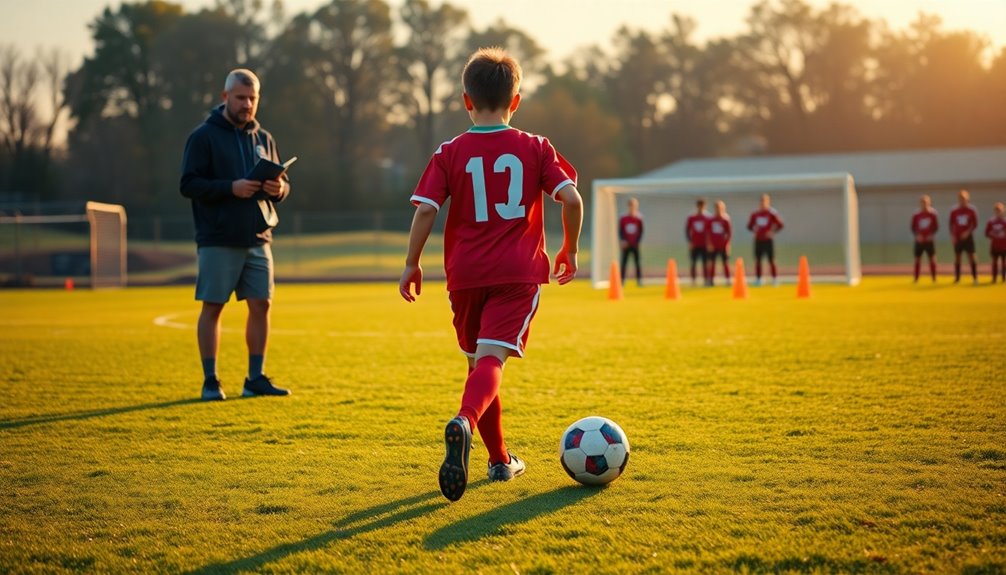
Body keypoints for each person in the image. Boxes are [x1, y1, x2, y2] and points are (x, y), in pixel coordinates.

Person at [398, 47, 582, 502]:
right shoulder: (535, 147)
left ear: (466, 100)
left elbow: (425, 211)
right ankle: (464, 421)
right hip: (516, 274)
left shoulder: (449, 151)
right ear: (515, 101)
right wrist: (569, 249)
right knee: (491, 364)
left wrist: (411, 263)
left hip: (465, 275)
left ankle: (499, 461)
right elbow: (572, 199)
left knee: (478, 364)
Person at [180, 69, 292, 401]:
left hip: (258, 237)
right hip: (218, 238)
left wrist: (279, 188)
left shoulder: (264, 138)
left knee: (262, 304)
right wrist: (231, 188)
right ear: (224, 96)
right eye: (241, 98)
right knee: (213, 307)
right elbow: (188, 184)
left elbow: (282, 187)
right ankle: (210, 380)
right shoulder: (203, 137)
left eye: (252, 98)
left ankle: (254, 379)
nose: (247, 104)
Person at [747, 194, 784, 286]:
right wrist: (755, 230)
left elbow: (780, 225)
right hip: (758, 239)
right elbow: (749, 226)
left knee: (771, 260)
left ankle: (774, 278)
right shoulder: (755, 214)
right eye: (762, 201)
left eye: (765, 201)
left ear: (768, 202)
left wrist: (772, 231)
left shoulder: (772, 213)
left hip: (768, 240)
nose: (763, 203)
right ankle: (759, 279)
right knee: (758, 260)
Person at [949, 189, 979, 284]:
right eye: (960, 198)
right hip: (958, 238)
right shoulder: (954, 211)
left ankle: (975, 278)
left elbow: (974, 224)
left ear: (967, 199)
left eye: (964, 198)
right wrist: (953, 236)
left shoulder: (971, 210)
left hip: (968, 238)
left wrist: (967, 232)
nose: (962, 200)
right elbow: (951, 224)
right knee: (957, 257)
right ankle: (957, 278)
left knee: (971, 257)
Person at [910, 194, 939, 283]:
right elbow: (913, 227)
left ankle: (934, 278)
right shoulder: (916, 215)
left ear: (929, 203)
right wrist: (917, 236)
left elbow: (936, 227)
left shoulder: (933, 214)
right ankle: (916, 278)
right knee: (917, 259)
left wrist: (931, 235)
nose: (924, 204)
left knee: (932, 258)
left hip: (929, 240)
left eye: (926, 202)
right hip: (920, 240)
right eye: (923, 203)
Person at [618, 197, 644, 286]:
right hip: (626, 244)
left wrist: (638, 242)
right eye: (630, 205)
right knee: (624, 263)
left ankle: (639, 281)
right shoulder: (623, 219)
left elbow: (641, 231)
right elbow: (620, 231)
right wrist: (623, 240)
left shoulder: (639, 219)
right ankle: (621, 281)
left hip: (635, 244)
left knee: (637, 263)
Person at [685, 199, 710, 286]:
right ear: (697, 206)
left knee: (705, 263)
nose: (701, 207)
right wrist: (690, 242)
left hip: (705, 244)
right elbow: (687, 230)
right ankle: (693, 280)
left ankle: (706, 280)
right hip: (695, 244)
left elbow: (710, 232)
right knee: (693, 262)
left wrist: (709, 243)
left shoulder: (708, 218)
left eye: (702, 206)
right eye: (699, 206)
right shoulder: (692, 218)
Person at [707, 200, 732, 285]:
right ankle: (711, 280)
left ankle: (728, 280)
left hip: (723, 245)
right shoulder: (711, 220)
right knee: (712, 263)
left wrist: (727, 244)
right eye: (717, 207)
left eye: (720, 207)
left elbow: (729, 233)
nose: (718, 209)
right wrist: (709, 243)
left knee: (725, 263)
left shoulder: (726, 219)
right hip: (714, 245)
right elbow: (708, 233)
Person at [986, 202, 1006, 283]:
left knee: (1004, 262)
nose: (998, 212)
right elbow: (987, 232)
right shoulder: (991, 221)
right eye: (997, 210)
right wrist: (992, 233)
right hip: (994, 245)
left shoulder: (1005, 222)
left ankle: (1003, 278)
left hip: (1004, 246)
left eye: (1000, 210)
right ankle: (994, 278)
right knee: (994, 262)